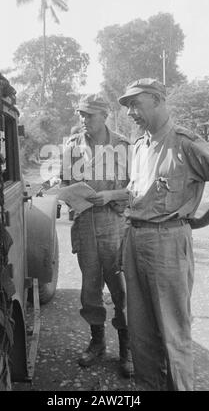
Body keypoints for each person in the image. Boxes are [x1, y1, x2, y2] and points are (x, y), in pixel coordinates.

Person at [116, 78, 209, 391]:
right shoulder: (139, 144)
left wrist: (203, 221)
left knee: (173, 332)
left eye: (136, 103)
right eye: (128, 106)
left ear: (158, 100)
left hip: (168, 242)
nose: (131, 112)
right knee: (141, 331)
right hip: (136, 238)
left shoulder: (185, 142)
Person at [60, 94, 133, 378]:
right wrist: (70, 195)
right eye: (81, 114)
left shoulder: (124, 147)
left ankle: (127, 350)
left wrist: (112, 194)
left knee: (121, 289)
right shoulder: (72, 147)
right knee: (90, 288)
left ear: (105, 115)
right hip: (85, 222)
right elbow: (65, 182)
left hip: (115, 223)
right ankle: (97, 343)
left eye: (89, 115)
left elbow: (139, 189)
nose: (83, 119)